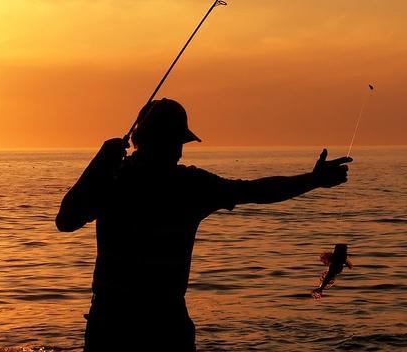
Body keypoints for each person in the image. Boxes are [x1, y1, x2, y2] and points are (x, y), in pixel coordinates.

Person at [55, 98, 353, 352]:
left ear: (136, 139)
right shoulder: (181, 185)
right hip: (160, 324)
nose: (178, 151)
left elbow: (66, 220)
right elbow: (255, 191)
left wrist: (99, 166)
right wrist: (313, 180)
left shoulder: (114, 180)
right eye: (175, 142)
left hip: (114, 322)